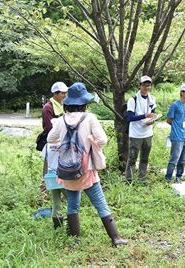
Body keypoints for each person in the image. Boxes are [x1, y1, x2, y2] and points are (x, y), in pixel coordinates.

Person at [47, 82, 127, 246]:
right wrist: (90, 140)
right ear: (83, 103)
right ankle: (116, 238)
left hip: (67, 170)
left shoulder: (61, 120)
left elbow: (50, 139)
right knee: (100, 204)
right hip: (86, 170)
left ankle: (74, 239)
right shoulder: (89, 118)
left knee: (73, 205)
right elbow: (103, 139)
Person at [41, 81, 68, 229]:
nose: (64, 95)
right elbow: (49, 128)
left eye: (65, 93)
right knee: (53, 178)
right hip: (52, 147)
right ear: (55, 93)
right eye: (62, 93)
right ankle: (58, 218)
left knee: (61, 178)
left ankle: (61, 216)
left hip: (63, 146)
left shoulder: (64, 105)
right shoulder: (48, 108)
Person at [125, 75, 157, 183]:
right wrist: (145, 116)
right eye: (144, 85)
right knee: (132, 158)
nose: (146, 87)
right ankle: (129, 179)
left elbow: (153, 114)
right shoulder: (132, 99)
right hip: (136, 134)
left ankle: (142, 179)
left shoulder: (152, 99)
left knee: (145, 158)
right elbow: (130, 117)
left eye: (148, 85)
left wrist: (152, 120)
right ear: (140, 85)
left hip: (148, 132)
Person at [165, 83, 185, 183]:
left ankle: (179, 177)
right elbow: (169, 120)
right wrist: (176, 128)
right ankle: (168, 177)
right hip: (177, 137)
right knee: (174, 158)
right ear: (182, 93)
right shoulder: (175, 105)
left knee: (183, 159)